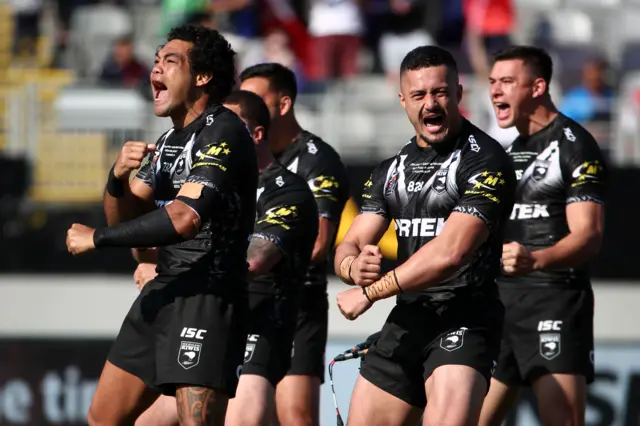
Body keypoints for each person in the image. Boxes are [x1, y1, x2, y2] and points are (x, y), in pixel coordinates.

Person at [65, 24, 257, 426]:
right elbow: (128, 212)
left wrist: (97, 239)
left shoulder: (223, 130)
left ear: (202, 77)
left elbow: (184, 218)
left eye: (170, 62)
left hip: (207, 295)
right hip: (165, 288)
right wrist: (116, 178)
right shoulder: (169, 141)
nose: (156, 71)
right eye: (155, 62)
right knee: (103, 418)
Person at [333, 45, 516, 426]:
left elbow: (450, 252)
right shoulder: (389, 170)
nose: (430, 104)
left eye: (439, 92)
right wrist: (353, 267)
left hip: (466, 319)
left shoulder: (485, 159)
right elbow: (348, 243)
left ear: (458, 94)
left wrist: (370, 291)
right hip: (409, 319)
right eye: (418, 95)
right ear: (403, 100)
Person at [132, 90, 320, 426]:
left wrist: (170, 274)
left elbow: (253, 262)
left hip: (260, 324)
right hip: (205, 314)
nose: (220, 135)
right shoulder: (211, 184)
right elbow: (150, 242)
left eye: (233, 126)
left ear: (257, 133)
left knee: (240, 421)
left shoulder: (287, 190)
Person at [479, 45, 607, 426]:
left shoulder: (575, 144)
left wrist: (535, 259)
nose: (496, 91)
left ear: (537, 87)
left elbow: (589, 235)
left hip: (554, 301)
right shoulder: (509, 151)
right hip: (501, 304)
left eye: (507, 82)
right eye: (492, 83)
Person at [239, 63, 350, 426]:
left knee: (295, 417)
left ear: (283, 105)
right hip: (241, 299)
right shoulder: (237, 158)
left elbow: (318, 245)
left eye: (257, 99)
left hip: (297, 303)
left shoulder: (319, 160)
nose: (248, 108)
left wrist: (260, 253)